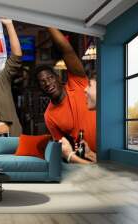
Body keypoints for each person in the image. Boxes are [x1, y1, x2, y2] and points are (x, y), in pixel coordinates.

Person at [34, 27, 96, 164]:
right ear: (40, 89)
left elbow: (66, 50)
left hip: (109, 147)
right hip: (87, 159)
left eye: (49, 78)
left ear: (57, 77)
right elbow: (62, 147)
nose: (47, 83)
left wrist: (46, 22)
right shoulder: (49, 115)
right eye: (42, 82)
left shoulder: (77, 82)